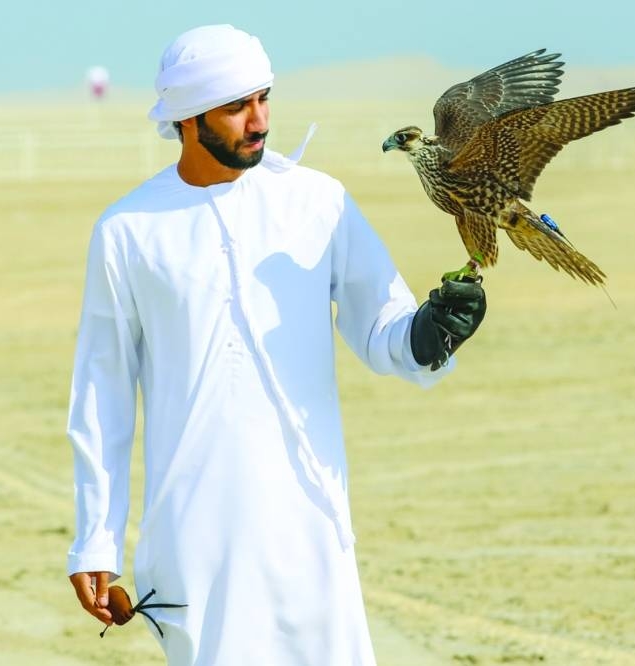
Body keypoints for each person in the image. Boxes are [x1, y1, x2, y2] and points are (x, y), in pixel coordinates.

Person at [66, 24, 486, 665]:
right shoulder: (128, 230)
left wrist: (430, 334)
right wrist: (96, 538)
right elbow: (103, 391)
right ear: (187, 118)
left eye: (263, 98)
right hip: (195, 531)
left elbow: (385, 329)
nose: (259, 120)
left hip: (310, 519)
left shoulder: (318, 201)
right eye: (237, 106)